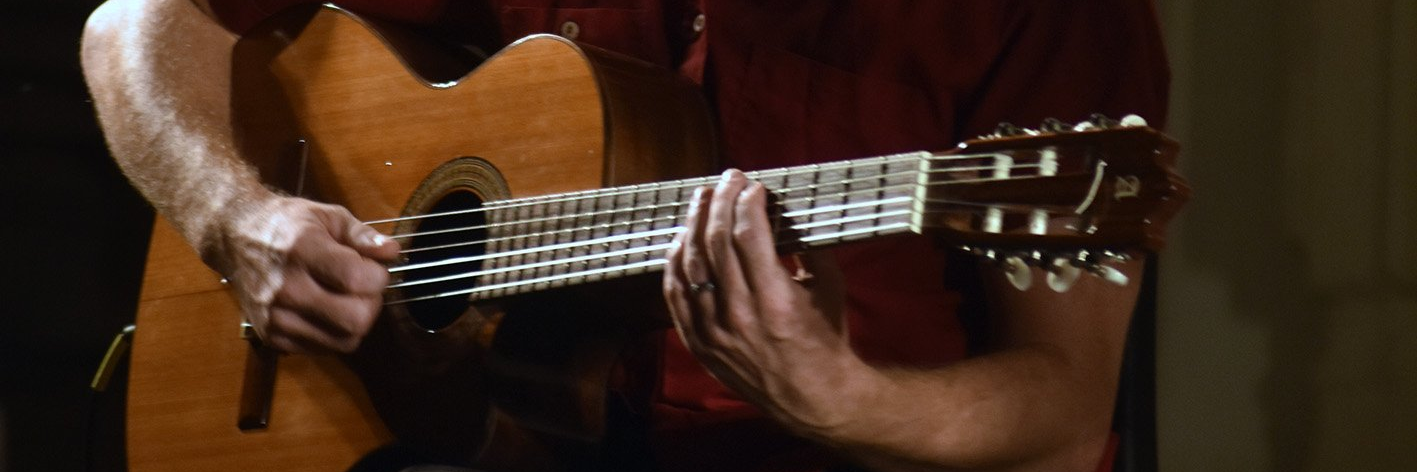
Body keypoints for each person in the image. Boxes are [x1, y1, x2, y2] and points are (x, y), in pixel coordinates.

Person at [80, 1, 1171, 471]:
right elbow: (135, 23)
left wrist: (843, 399)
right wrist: (236, 214)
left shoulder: (1056, 20)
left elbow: (1065, 423)